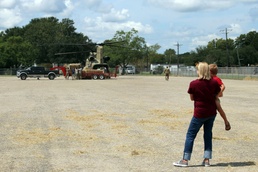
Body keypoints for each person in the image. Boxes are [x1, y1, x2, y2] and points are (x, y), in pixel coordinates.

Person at [173, 62, 221, 167]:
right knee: (208, 135)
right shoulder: (213, 83)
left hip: (199, 113)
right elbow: (218, 93)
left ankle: (185, 160)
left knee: (190, 135)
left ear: (200, 71)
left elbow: (192, 98)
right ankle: (207, 159)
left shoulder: (194, 83)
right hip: (211, 112)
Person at [209, 64, 231, 131]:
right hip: (210, 98)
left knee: (219, 108)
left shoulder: (216, 79)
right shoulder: (209, 78)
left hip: (215, 98)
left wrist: (218, 93)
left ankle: (226, 121)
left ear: (210, 72)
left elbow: (223, 86)